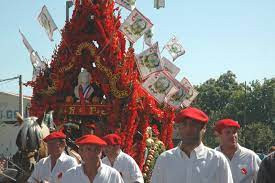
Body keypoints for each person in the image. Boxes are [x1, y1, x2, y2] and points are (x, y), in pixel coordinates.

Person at [151, 107, 233, 183]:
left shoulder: (217, 160)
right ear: (179, 127)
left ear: (204, 128)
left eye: (193, 125)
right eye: (184, 124)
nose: (188, 129)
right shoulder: (165, 159)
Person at [214, 118, 261, 183]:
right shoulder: (213, 157)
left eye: (234, 132)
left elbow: (263, 179)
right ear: (219, 135)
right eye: (228, 132)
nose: (232, 135)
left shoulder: (250, 157)